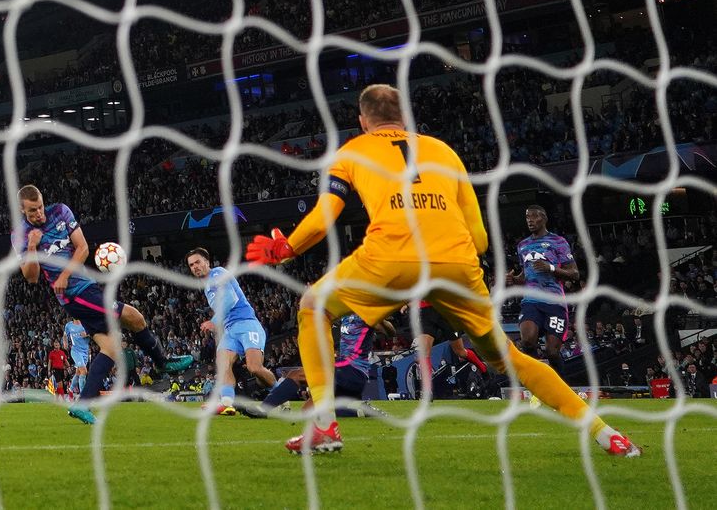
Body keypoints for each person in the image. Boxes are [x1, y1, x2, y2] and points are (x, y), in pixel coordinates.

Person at [245, 84, 641, 456]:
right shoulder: (444, 152)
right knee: (509, 359)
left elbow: (324, 214)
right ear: (405, 116)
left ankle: (325, 427)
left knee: (313, 306)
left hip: (391, 256)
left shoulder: (351, 151)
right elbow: (481, 239)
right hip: (456, 264)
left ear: (363, 120)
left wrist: (288, 247)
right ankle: (607, 435)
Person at [14, 185, 193, 425]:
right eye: (33, 211)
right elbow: (31, 276)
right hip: (75, 295)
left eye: (40, 207)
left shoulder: (60, 212)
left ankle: (82, 404)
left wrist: (65, 274)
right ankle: (163, 363)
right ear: (22, 210)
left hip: (85, 286)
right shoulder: (21, 234)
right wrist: (34, 247)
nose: (39, 214)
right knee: (135, 317)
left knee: (111, 347)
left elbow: (83, 247)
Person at [240, 314, 391, 418]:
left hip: (354, 371)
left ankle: (264, 409)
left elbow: (390, 331)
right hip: (342, 371)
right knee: (308, 411)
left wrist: (381, 319)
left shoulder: (365, 314)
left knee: (296, 375)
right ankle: (360, 410)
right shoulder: (345, 315)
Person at [187, 247, 277, 416]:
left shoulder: (218, 273)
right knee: (223, 363)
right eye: (191, 265)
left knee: (254, 368)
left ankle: (281, 393)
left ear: (207, 262)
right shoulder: (207, 286)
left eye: (198, 262)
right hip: (230, 330)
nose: (195, 267)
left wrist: (213, 321)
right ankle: (227, 402)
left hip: (247, 325)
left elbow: (230, 298)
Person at [506, 205, 580, 375]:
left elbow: (574, 274)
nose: (530, 220)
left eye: (534, 216)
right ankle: (538, 386)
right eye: (527, 217)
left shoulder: (558, 242)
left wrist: (551, 268)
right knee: (527, 342)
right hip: (531, 301)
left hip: (555, 302)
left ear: (544, 218)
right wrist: (515, 280)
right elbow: (526, 276)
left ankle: (560, 389)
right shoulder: (523, 245)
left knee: (552, 352)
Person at [402, 301, 489, 399]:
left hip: (446, 311)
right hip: (427, 312)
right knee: (425, 353)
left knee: (460, 352)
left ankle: (484, 369)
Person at [63, 319, 89, 398]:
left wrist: (87, 334)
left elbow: (94, 333)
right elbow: (64, 335)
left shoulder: (86, 323)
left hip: (85, 352)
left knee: (78, 373)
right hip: (75, 351)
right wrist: (65, 343)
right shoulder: (69, 325)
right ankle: (82, 396)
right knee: (84, 371)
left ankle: (70, 390)